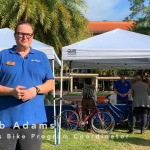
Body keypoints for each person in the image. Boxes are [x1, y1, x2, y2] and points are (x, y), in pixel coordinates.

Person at [0, 22, 54, 150]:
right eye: (21, 34)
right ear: (15, 35)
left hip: (33, 120)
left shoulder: (41, 57)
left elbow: (50, 83)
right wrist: (11, 91)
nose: (25, 37)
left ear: (32, 36)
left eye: (28, 34)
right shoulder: (3, 55)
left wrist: (36, 90)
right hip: (5, 121)